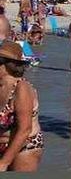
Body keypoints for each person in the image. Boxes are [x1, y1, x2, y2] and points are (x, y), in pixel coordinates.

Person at [0, 41, 42, 171]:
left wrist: (4, 162)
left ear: (6, 65)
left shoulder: (21, 88)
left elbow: (24, 129)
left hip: (25, 146)